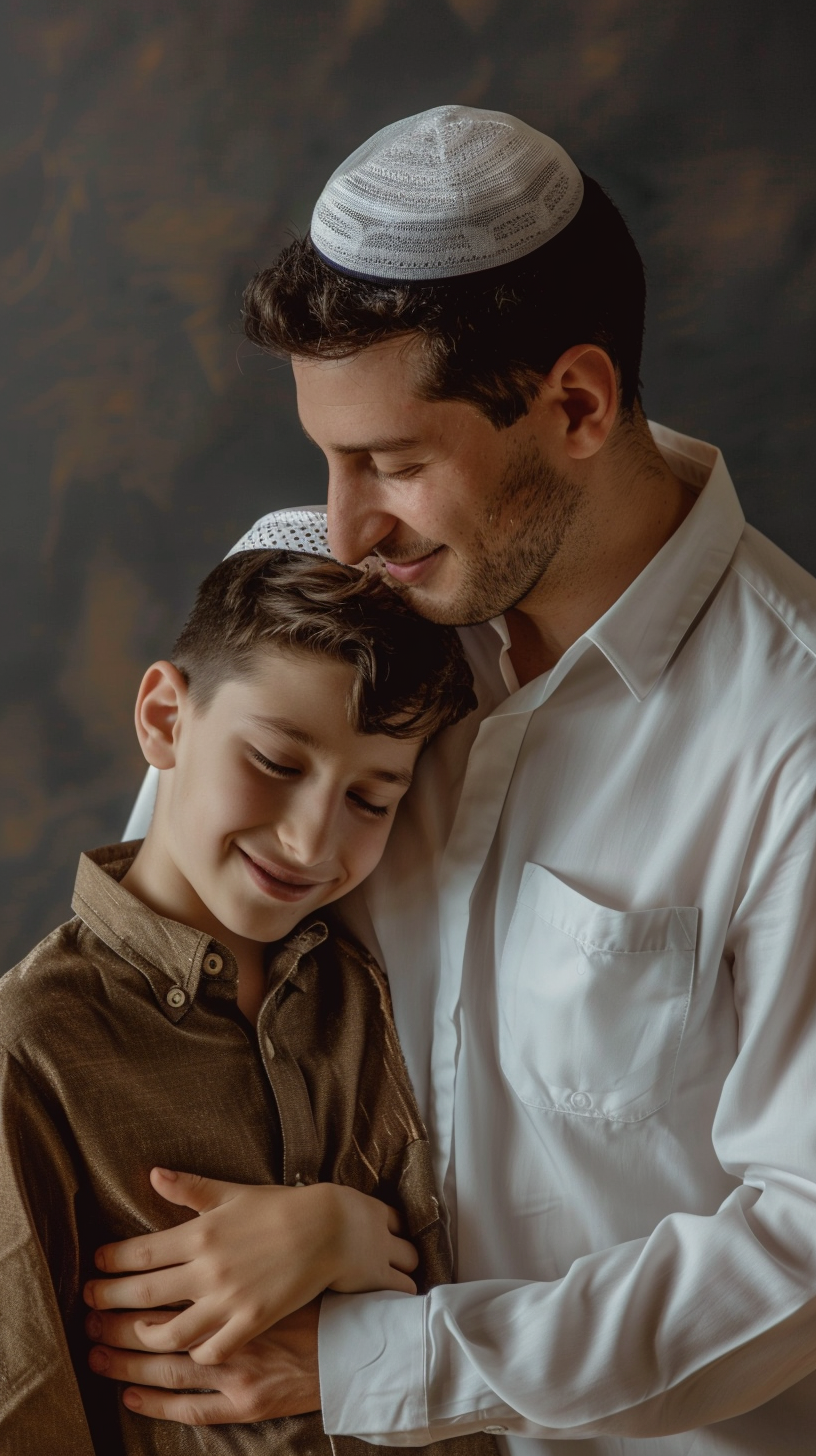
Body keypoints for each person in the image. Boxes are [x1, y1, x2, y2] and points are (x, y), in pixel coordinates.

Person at [86, 106, 816, 1452]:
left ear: (579, 405)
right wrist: (325, 1227)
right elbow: (151, 979)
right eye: (327, 455)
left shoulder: (793, 734)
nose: (349, 523)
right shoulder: (319, 598)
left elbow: (804, 1247)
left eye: (395, 463)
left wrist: (381, 1360)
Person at [0, 544, 498, 1456]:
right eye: (275, 761)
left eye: (371, 798)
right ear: (164, 719)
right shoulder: (32, 1042)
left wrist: (352, 1234)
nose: (312, 841)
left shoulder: (370, 989)